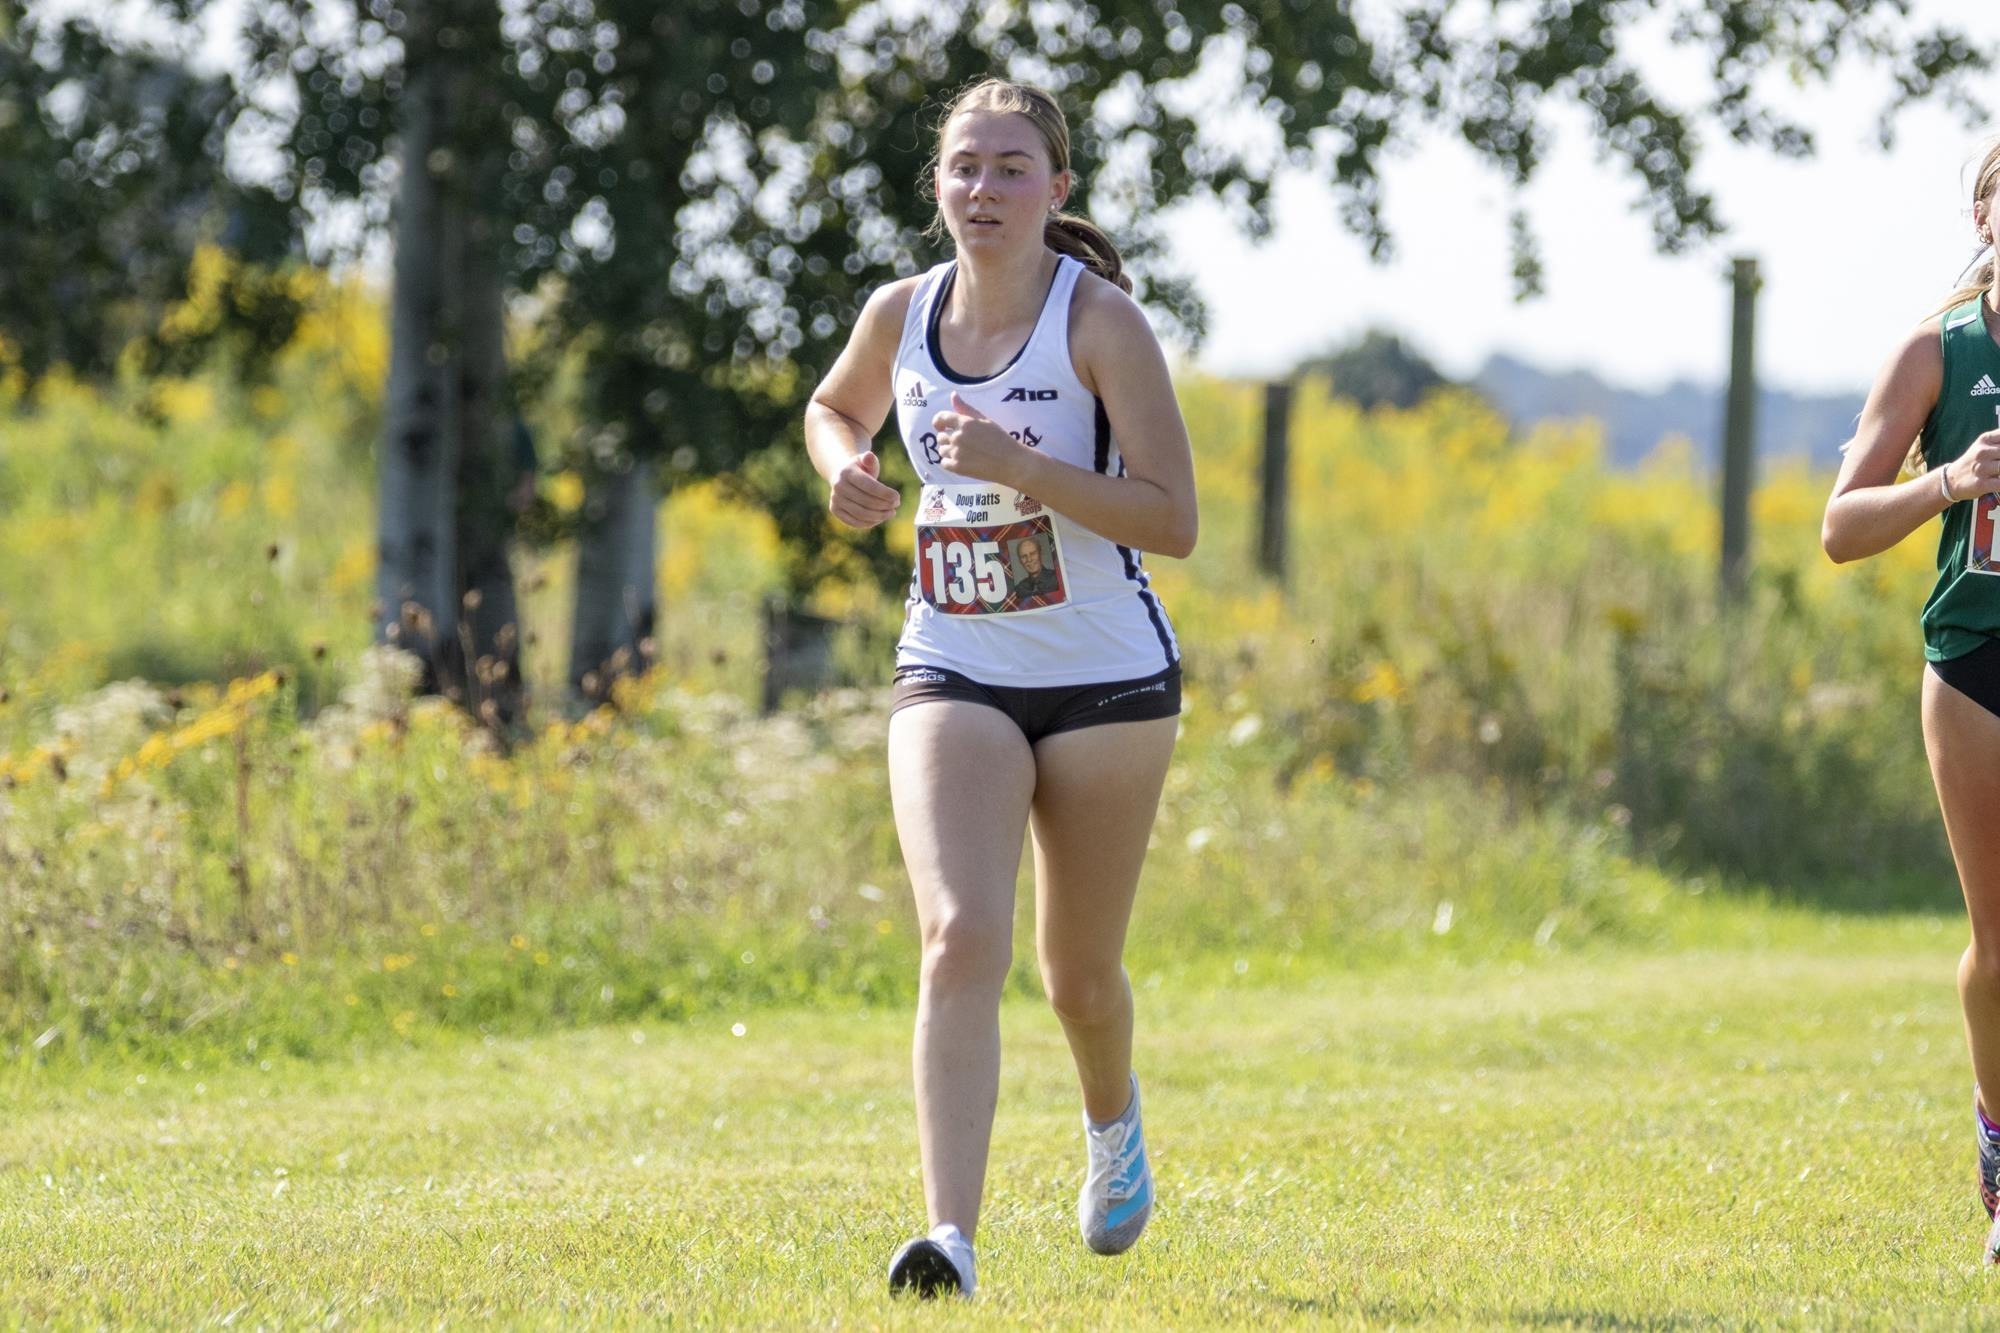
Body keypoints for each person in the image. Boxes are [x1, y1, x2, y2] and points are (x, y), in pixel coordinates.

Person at [803, 77, 1198, 1298]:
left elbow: (1171, 519)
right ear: (937, 186)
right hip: (954, 663)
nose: (984, 189)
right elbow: (830, 407)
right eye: (964, 167)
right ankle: (950, 1241)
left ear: (1056, 188)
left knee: (1075, 975)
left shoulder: (1100, 325)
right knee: (957, 933)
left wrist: (1021, 463)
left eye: (1011, 167)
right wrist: (848, 468)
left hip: (1105, 683)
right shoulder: (899, 311)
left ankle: (1110, 1121)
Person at [1822, 139, 2000, 1264]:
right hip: (1975, 663)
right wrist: (1948, 479)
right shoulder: (1937, 352)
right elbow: (1839, 527)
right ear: (1983, 218)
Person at [1008, 535, 1061, 601]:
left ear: (1040, 554)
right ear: (1020, 561)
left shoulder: (1056, 578)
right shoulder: (1020, 589)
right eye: (1024, 556)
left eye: (1033, 553)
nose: (1029, 559)